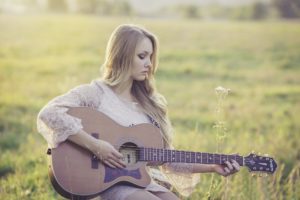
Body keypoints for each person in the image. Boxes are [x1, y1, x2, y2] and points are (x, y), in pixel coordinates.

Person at [37, 24, 240, 200]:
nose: (149, 64)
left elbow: (166, 159)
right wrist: (96, 146)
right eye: (142, 56)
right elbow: (49, 114)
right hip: (107, 184)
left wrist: (213, 166)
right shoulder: (95, 93)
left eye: (150, 57)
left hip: (138, 181)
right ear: (122, 56)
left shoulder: (151, 104)